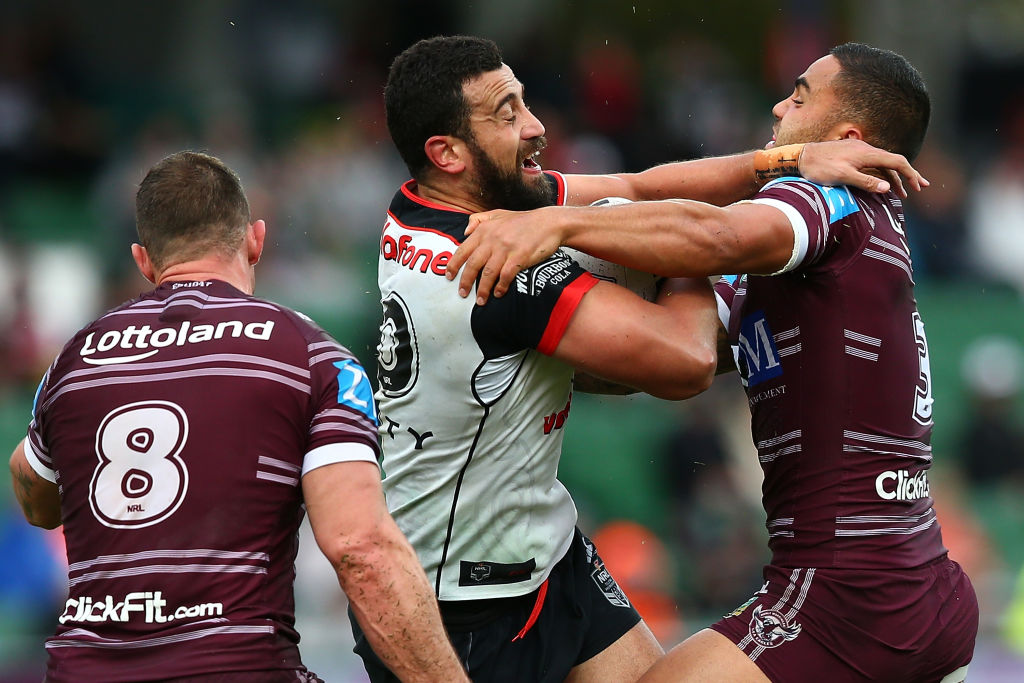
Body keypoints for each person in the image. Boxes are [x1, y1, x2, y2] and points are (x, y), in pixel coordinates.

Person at [366, 35, 932, 683]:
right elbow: (688, 360)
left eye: (524, 101)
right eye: (507, 112)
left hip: (549, 558)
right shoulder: (494, 270)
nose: (536, 126)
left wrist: (790, 158)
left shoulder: (440, 202)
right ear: (448, 152)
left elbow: (637, 185)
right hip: (468, 603)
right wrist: (687, 256)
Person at [7, 151, 468, 683]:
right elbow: (360, 548)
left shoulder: (75, 357)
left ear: (143, 260)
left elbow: (34, 494)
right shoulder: (312, 356)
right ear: (255, 239)